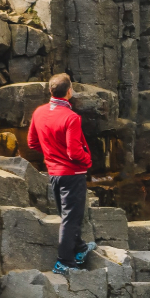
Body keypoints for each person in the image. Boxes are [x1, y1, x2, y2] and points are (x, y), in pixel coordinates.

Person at [25, 73, 96, 274]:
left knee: (67, 216)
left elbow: (32, 143)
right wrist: (88, 160)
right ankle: (64, 262)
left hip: (54, 173)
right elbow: (74, 152)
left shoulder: (39, 112)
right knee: (71, 219)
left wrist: (51, 154)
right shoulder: (71, 117)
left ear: (50, 90)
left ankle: (80, 248)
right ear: (69, 92)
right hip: (72, 174)